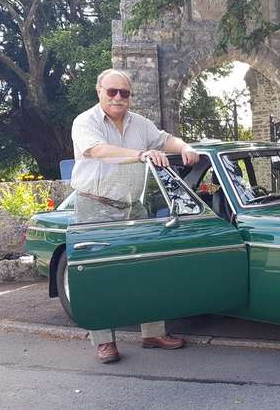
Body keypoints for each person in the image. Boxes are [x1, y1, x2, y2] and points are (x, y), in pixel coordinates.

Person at [70, 68, 199, 363]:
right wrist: (140, 154)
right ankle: (104, 342)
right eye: (112, 91)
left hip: (134, 205)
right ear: (98, 91)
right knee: (98, 276)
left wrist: (186, 147)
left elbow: (166, 140)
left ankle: (152, 333)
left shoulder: (139, 124)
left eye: (124, 93)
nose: (118, 98)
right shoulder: (85, 122)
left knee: (147, 270)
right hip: (95, 205)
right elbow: (98, 151)